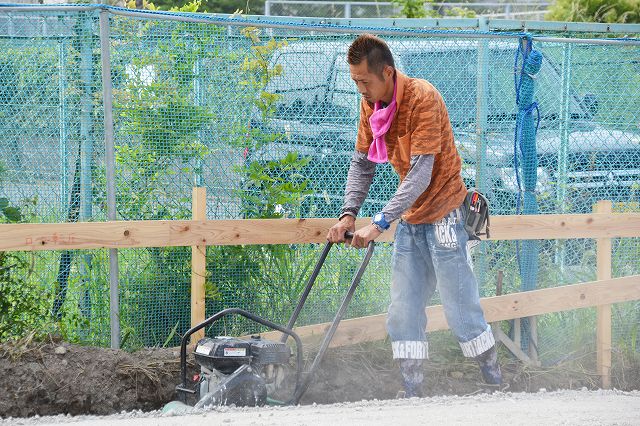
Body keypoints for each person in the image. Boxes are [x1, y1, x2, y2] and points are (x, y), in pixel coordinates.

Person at [327, 34, 502, 398]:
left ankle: (494, 378)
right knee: (403, 308)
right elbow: (362, 163)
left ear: (387, 73)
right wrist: (348, 214)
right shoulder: (371, 105)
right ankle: (412, 391)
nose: (359, 88)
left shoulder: (424, 97)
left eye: (364, 80)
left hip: (445, 214)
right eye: (354, 81)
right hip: (411, 217)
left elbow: (421, 173)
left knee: (459, 307)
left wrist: (378, 222)